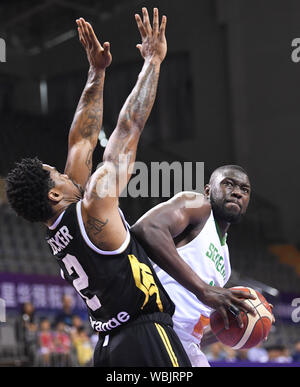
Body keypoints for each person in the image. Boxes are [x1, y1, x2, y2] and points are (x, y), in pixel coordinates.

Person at [6, 8, 192, 367]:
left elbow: (82, 140)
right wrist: (153, 61)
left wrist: (97, 71)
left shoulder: (59, 226)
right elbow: (128, 129)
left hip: (107, 347)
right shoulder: (93, 206)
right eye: (56, 174)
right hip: (145, 335)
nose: (63, 172)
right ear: (54, 194)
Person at [131, 165, 263, 366]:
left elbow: (198, 329)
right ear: (208, 191)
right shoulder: (198, 206)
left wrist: (237, 326)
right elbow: (147, 228)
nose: (237, 192)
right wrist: (203, 289)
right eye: (229, 184)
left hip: (186, 344)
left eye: (244, 190)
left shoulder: (225, 263)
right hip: (156, 328)